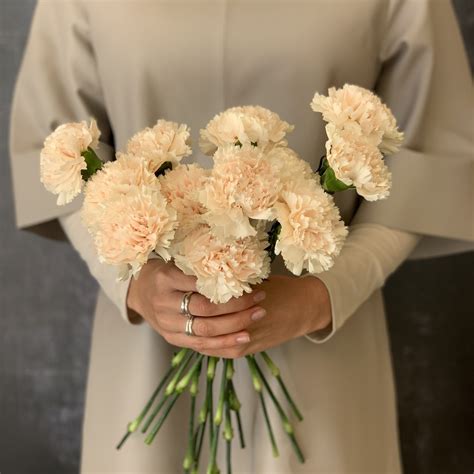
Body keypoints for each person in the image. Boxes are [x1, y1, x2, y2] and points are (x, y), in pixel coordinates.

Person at [9, 0, 473, 472]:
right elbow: (50, 144)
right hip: (148, 336)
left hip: (327, 343)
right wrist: (136, 284)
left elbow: (430, 159)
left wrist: (323, 296)